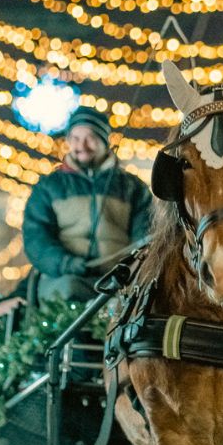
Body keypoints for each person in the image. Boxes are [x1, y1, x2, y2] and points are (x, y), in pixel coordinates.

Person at [22, 106, 152, 303]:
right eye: (74, 138)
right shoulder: (49, 187)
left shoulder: (132, 187)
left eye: (90, 137)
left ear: (104, 141)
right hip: (65, 278)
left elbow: (146, 235)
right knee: (68, 289)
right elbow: (36, 238)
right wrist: (66, 263)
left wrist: (130, 268)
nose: (81, 145)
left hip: (118, 281)